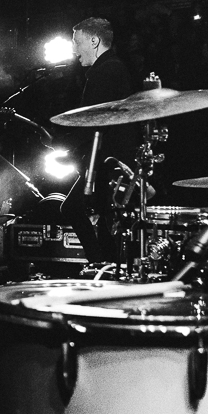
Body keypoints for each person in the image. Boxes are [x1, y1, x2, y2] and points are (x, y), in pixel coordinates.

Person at [59, 16, 135, 263]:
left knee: (78, 210)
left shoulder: (107, 70)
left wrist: (68, 146)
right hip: (105, 158)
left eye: (76, 42)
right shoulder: (109, 68)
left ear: (94, 41)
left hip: (109, 161)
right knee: (99, 217)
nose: (74, 50)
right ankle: (103, 265)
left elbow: (94, 120)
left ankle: (99, 264)